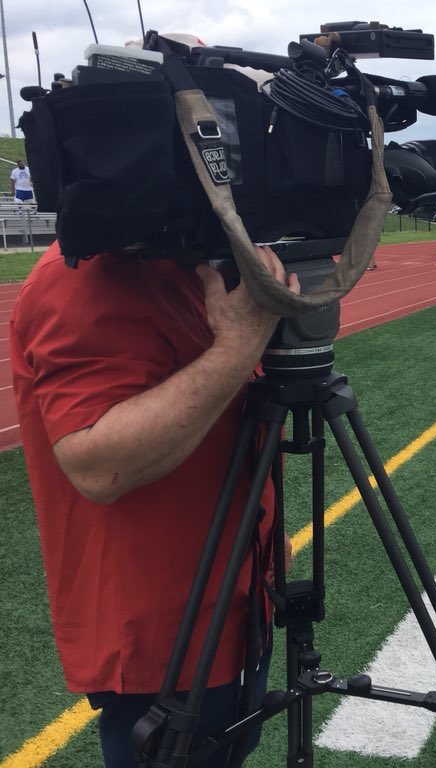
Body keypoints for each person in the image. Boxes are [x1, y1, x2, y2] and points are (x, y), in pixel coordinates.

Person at [11, 241, 300, 766]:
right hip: (167, 640)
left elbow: (222, 421)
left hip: (235, 607)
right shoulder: (80, 276)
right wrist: (238, 349)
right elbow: (99, 465)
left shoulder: (183, 259)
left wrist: (267, 530)